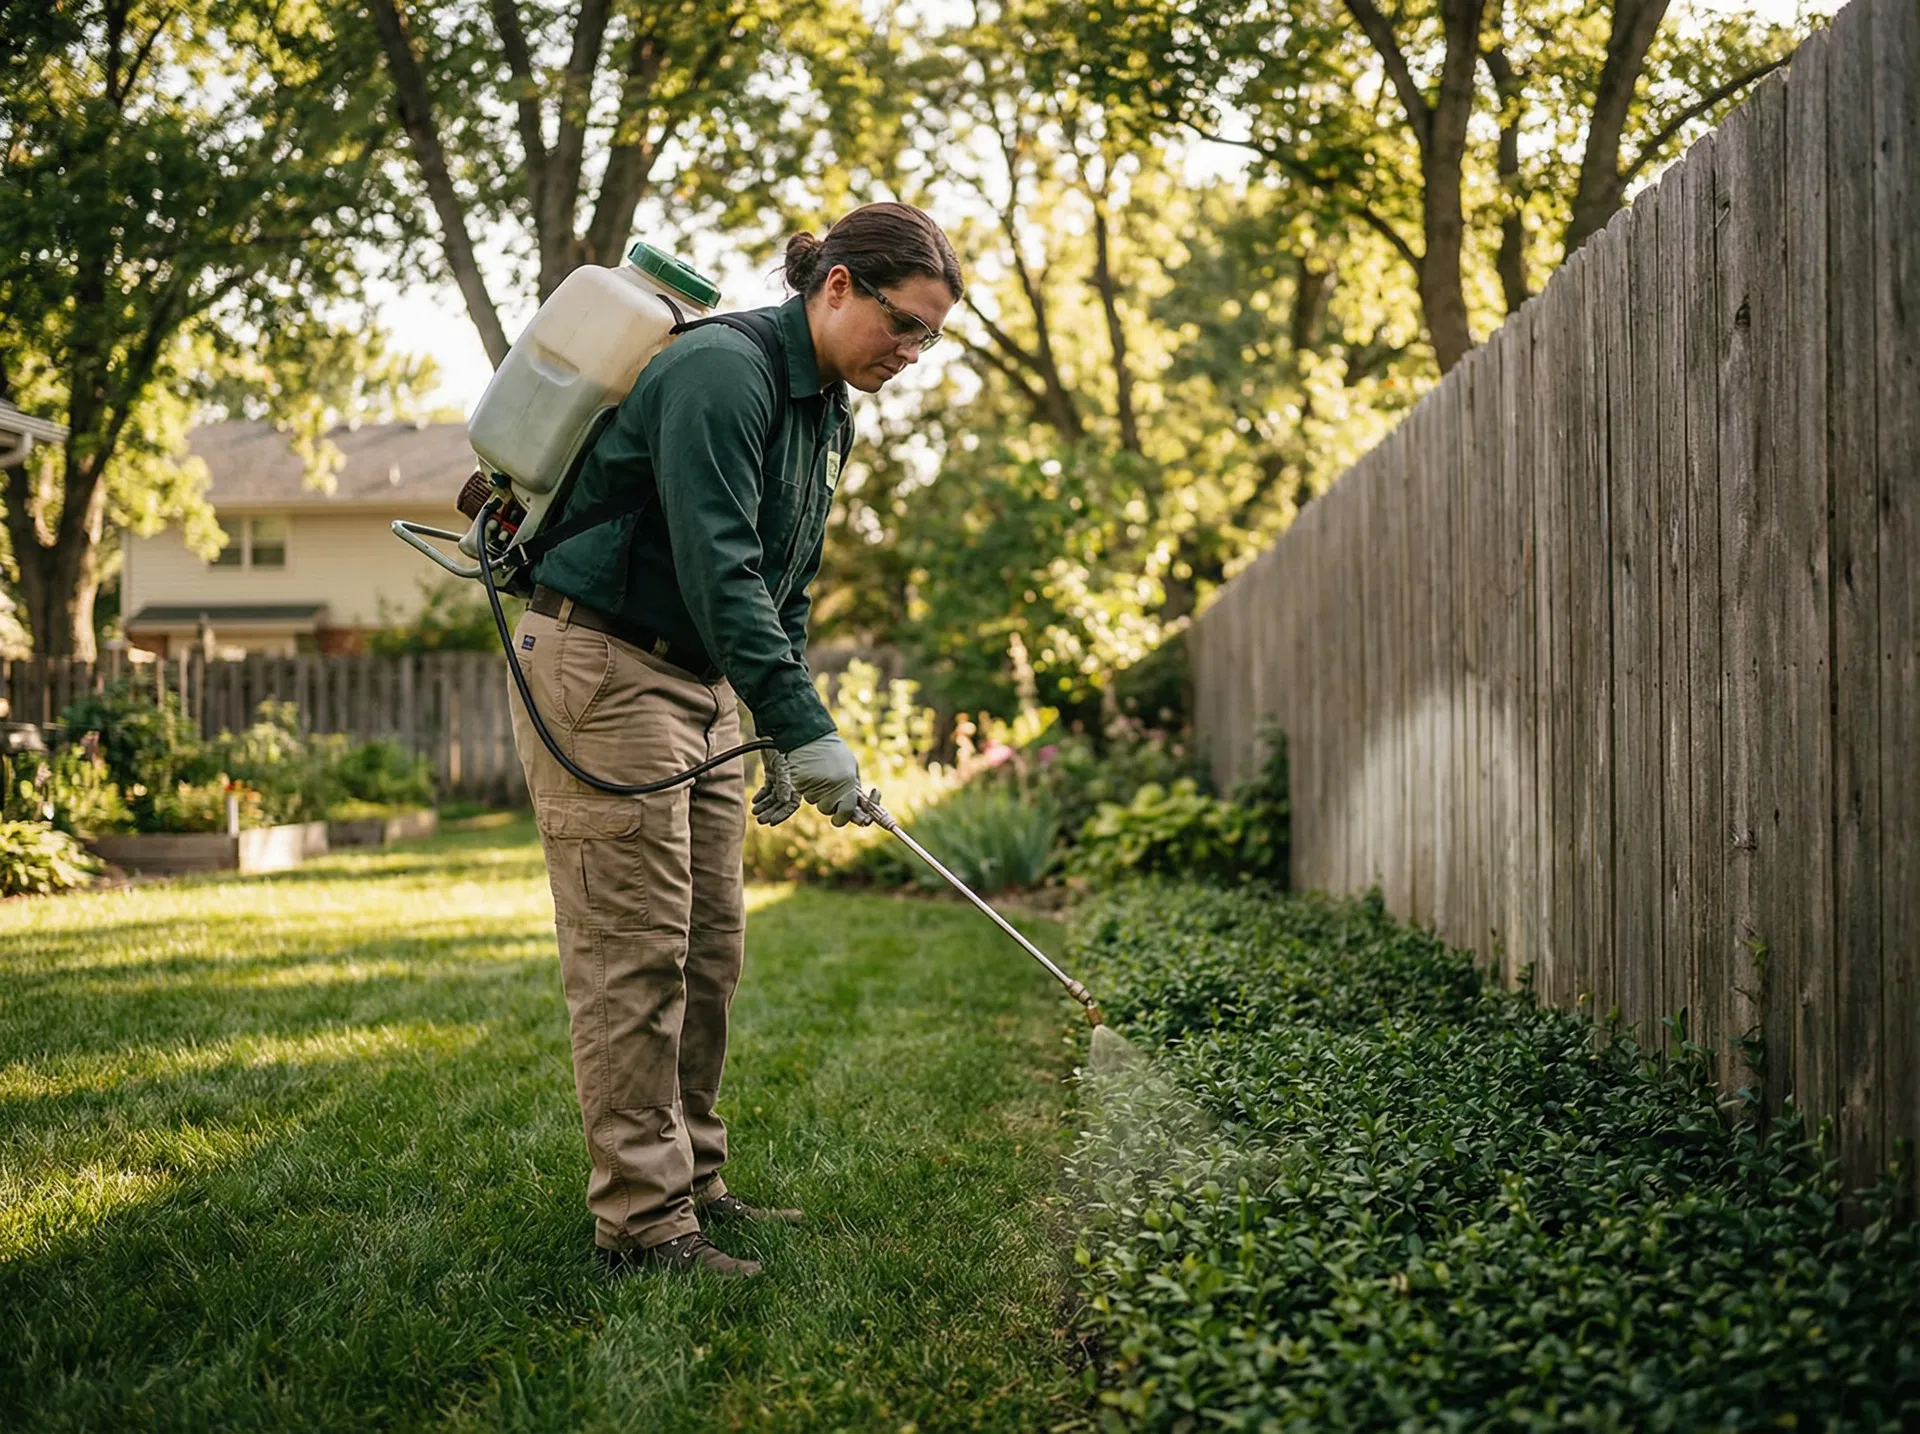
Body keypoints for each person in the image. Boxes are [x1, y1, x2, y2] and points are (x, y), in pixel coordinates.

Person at [506, 202, 963, 1280]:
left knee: (710, 952)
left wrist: (768, 717)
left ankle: (697, 1181)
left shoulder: (824, 411)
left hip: (700, 678)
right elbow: (720, 568)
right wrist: (811, 728)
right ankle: (643, 1225)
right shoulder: (723, 370)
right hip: (605, 663)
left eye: (931, 339)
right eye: (904, 326)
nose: (912, 353)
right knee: (636, 956)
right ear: (838, 284)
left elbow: (783, 579)